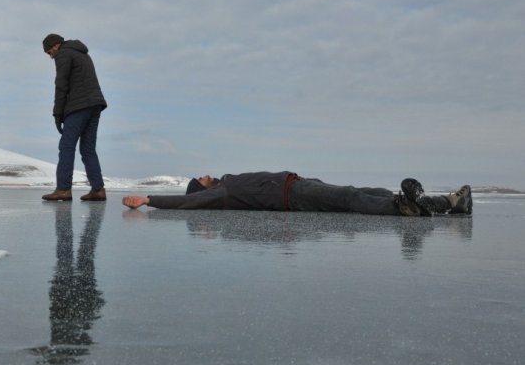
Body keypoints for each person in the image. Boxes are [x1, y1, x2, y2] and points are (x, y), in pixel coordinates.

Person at [122, 172, 473, 216]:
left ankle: (447, 203)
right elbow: (186, 202)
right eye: (201, 178)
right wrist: (148, 199)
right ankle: (420, 207)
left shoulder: (226, 183)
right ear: (202, 189)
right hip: (295, 195)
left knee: (367, 190)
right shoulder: (220, 195)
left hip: (300, 185)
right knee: (351, 197)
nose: (205, 174)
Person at [40, 34, 108, 202]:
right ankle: (98, 189)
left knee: (66, 146)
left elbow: (61, 84)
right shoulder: (82, 53)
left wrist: (57, 113)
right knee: (88, 149)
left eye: (50, 52)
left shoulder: (63, 54)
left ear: (56, 45)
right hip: (95, 105)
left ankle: (63, 189)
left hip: (79, 106)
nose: (50, 56)